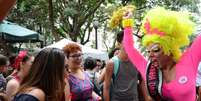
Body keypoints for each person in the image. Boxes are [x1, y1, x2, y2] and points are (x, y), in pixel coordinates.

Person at [122, 6, 200, 100]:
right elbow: (129, 48)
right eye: (148, 51)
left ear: (169, 49)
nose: (150, 55)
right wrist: (127, 24)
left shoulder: (189, 60)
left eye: (156, 50)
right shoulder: (149, 70)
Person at [103, 31, 148, 101]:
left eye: (132, 41)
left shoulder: (137, 60)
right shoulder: (112, 63)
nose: (130, 44)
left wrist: (147, 98)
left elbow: (142, 81)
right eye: (127, 41)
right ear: (118, 44)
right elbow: (106, 87)